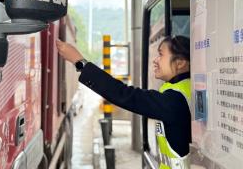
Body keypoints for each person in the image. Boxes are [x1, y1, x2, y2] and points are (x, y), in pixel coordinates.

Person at [56, 36, 191, 169]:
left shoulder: (174, 100)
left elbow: (123, 93)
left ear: (180, 63)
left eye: (161, 55)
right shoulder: (185, 90)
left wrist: (79, 62)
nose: (155, 60)